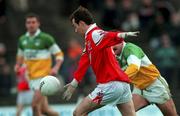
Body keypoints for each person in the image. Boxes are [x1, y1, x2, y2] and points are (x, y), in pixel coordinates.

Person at [63, 6, 139, 116]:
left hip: (110, 85)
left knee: (78, 113)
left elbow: (108, 35)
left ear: (82, 23)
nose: (75, 30)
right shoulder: (89, 40)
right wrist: (74, 84)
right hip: (123, 85)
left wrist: (123, 34)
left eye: (75, 26)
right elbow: (84, 63)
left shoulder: (95, 34)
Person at [14, 13, 64, 116]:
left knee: (34, 106)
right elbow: (20, 56)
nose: (31, 25)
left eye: (33, 22)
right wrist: (17, 66)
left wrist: (56, 67)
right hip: (31, 79)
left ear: (38, 24)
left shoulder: (46, 38)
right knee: (45, 110)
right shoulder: (22, 40)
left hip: (43, 78)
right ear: (25, 24)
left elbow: (59, 54)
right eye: (28, 22)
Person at [113, 41, 178, 116]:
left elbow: (134, 67)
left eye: (114, 43)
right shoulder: (114, 55)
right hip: (139, 89)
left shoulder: (130, 48)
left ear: (121, 42)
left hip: (155, 85)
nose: (112, 46)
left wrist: (119, 80)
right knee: (127, 113)